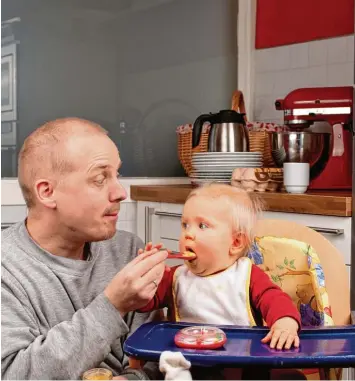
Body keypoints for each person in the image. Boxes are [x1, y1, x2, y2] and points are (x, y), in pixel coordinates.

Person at [1, 117, 168, 380]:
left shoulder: (127, 250)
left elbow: (158, 359)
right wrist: (113, 305)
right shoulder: (6, 268)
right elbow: (13, 374)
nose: (120, 192)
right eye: (100, 178)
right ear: (47, 192)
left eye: (117, 174)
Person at [139, 184, 301, 379]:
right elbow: (144, 302)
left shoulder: (247, 275)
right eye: (185, 225)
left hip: (245, 366)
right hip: (190, 367)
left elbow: (274, 299)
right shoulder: (174, 277)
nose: (188, 234)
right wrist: (146, 278)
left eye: (202, 226)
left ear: (235, 243)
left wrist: (285, 322)